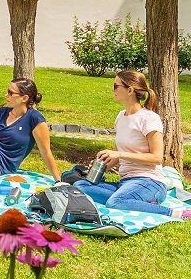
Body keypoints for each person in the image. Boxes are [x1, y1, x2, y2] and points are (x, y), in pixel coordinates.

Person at [71, 70, 174, 218]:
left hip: (150, 182)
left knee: (116, 202)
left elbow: (157, 158)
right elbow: (119, 155)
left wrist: (119, 154)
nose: (112, 90)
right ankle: (137, 202)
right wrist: (102, 165)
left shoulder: (149, 118)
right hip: (126, 182)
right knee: (80, 186)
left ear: (130, 90)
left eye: (115, 86)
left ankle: (175, 213)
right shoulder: (121, 116)